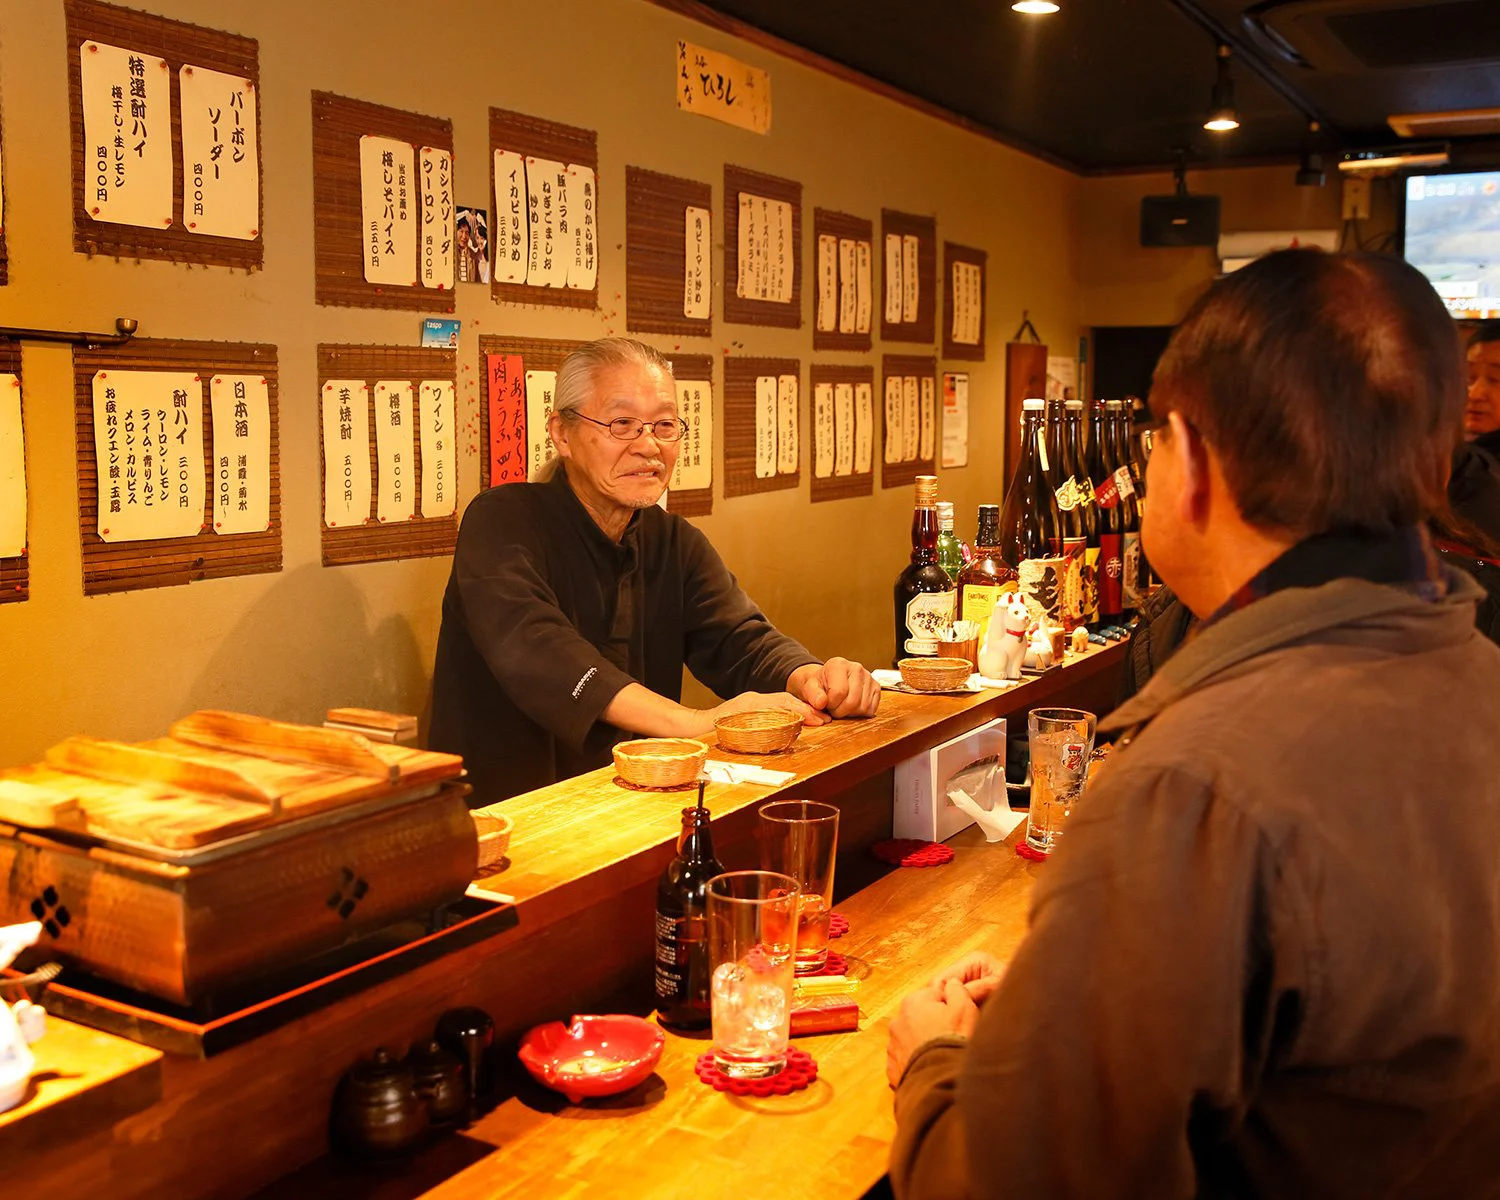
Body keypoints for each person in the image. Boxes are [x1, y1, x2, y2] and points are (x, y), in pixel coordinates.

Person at [885, 250, 1500, 1198]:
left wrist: (935, 1067)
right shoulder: (1472, 671)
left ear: (1196, 463)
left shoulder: (1192, 785)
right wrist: (1078, 1008)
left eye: (1153, 442)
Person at [429, 337, 880, 803]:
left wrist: (811, 678)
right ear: (561, 433)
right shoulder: (502, 522)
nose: (648, 446)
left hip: (633, 805)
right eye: (622, 423)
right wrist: (697, 724)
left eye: (664, 425)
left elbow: (741, 640)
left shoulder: (672, 541)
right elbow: (542, 654)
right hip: (506, 817)